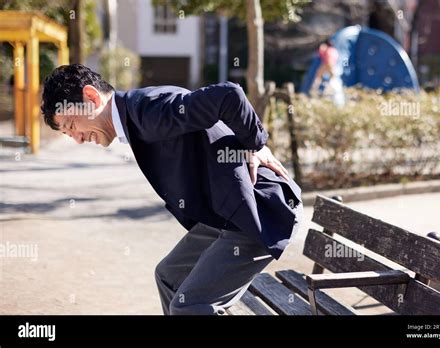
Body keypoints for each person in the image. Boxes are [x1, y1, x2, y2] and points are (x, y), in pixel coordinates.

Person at [41, 64, 303, 315]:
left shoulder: (148, 111)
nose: (76, 138)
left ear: (90, 97)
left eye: (72, 126)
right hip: (226, 214)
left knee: (190, 306)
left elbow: (228, 95)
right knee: (169, 276)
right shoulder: (134, 113)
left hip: (257, 212)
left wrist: (257, 145)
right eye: (68, 134)